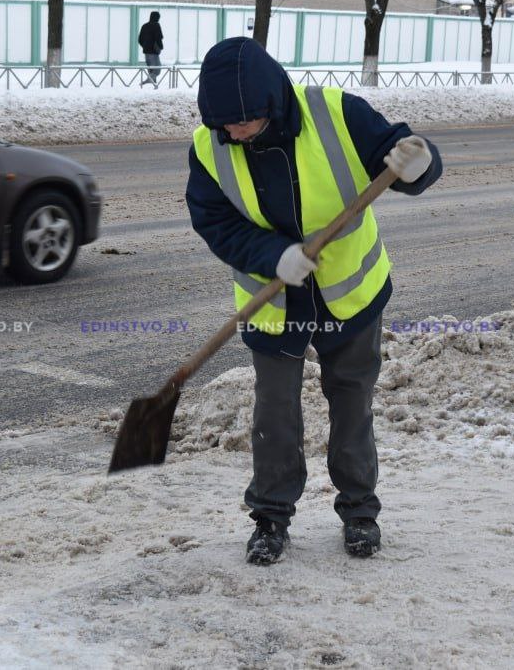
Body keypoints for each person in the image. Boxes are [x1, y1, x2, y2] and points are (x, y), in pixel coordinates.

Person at [185, 38, 442, 565]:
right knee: (275, 413)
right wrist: (272, 255)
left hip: (350, 297)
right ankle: (270, 518)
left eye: (244, 122)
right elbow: (214, 222)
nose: (233, 132)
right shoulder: (209, 147)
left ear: (272, 102)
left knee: (352, 406)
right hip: (274, 303)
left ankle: (360, 513)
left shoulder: (336, 113)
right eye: (223, 124)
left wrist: (421, 165)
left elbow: (400, 155)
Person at [137, 10, 164, 87]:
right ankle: (147, 81)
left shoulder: (144, 26)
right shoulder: (156, 25)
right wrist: (160, 47)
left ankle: (154, 84)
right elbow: (158, 38)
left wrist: (145, 46)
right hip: (153, 52)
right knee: (157, 69)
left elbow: (140, 39)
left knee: (151, 69)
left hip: (146, 52)